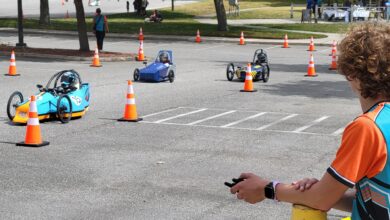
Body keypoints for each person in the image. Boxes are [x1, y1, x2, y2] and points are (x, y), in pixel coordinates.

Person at [229, 22, 390, 219]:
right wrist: (326, 190)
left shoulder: (369, 128)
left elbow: (321, 200)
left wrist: (267, 188)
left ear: (352, 73)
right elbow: (375, 200)